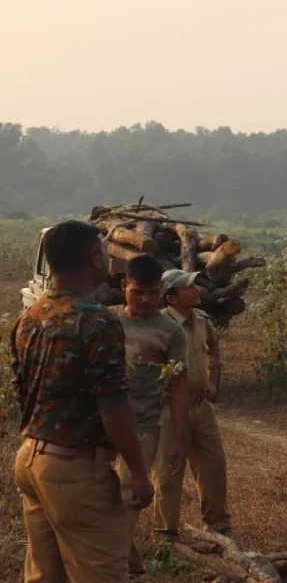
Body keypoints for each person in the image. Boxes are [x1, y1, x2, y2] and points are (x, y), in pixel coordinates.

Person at [10, 220, 154, 582]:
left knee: (44, 575)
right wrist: (138, 472)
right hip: (73, 470)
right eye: (104, 251)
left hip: (31, 459)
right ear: (93, 257)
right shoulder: (97, 321)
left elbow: (24, 391)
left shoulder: (30, 317)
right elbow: (113, 404)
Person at [110, 253, 190, 575]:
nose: (146, 300)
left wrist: (179, 438)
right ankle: (129, 562)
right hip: (100, 426)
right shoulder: (106, 322)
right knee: (102, 496)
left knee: (130, 497)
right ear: (123, 286)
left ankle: (114, 567)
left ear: (161, 290)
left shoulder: (171, 332)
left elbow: (180, 386)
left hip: (143, 428)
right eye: (138, 291)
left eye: (153, 293)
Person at [152, 268, 232, 540]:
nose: (197, 290)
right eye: (188, 287)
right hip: (169, 411)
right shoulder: (159, 325)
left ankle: (218, 525)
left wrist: (213, 381)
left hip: (201, 407)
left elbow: (215, 351)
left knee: (213, 466)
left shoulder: (201, 320)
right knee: (168, 471)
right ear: (171, 297)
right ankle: (166, 534)